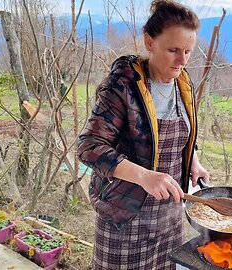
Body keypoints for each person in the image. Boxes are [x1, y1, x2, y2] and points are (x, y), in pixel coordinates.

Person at [77, 1, 209, 269]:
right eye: (173, 50)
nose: (182, 61)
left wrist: (192, 159)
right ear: (149, 42)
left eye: (188, 51)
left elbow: (183, 135)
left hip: (169, 217)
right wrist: (144, 176)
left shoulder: (183, 83)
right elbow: (89, 147)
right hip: (123, 216)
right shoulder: (122, 86)